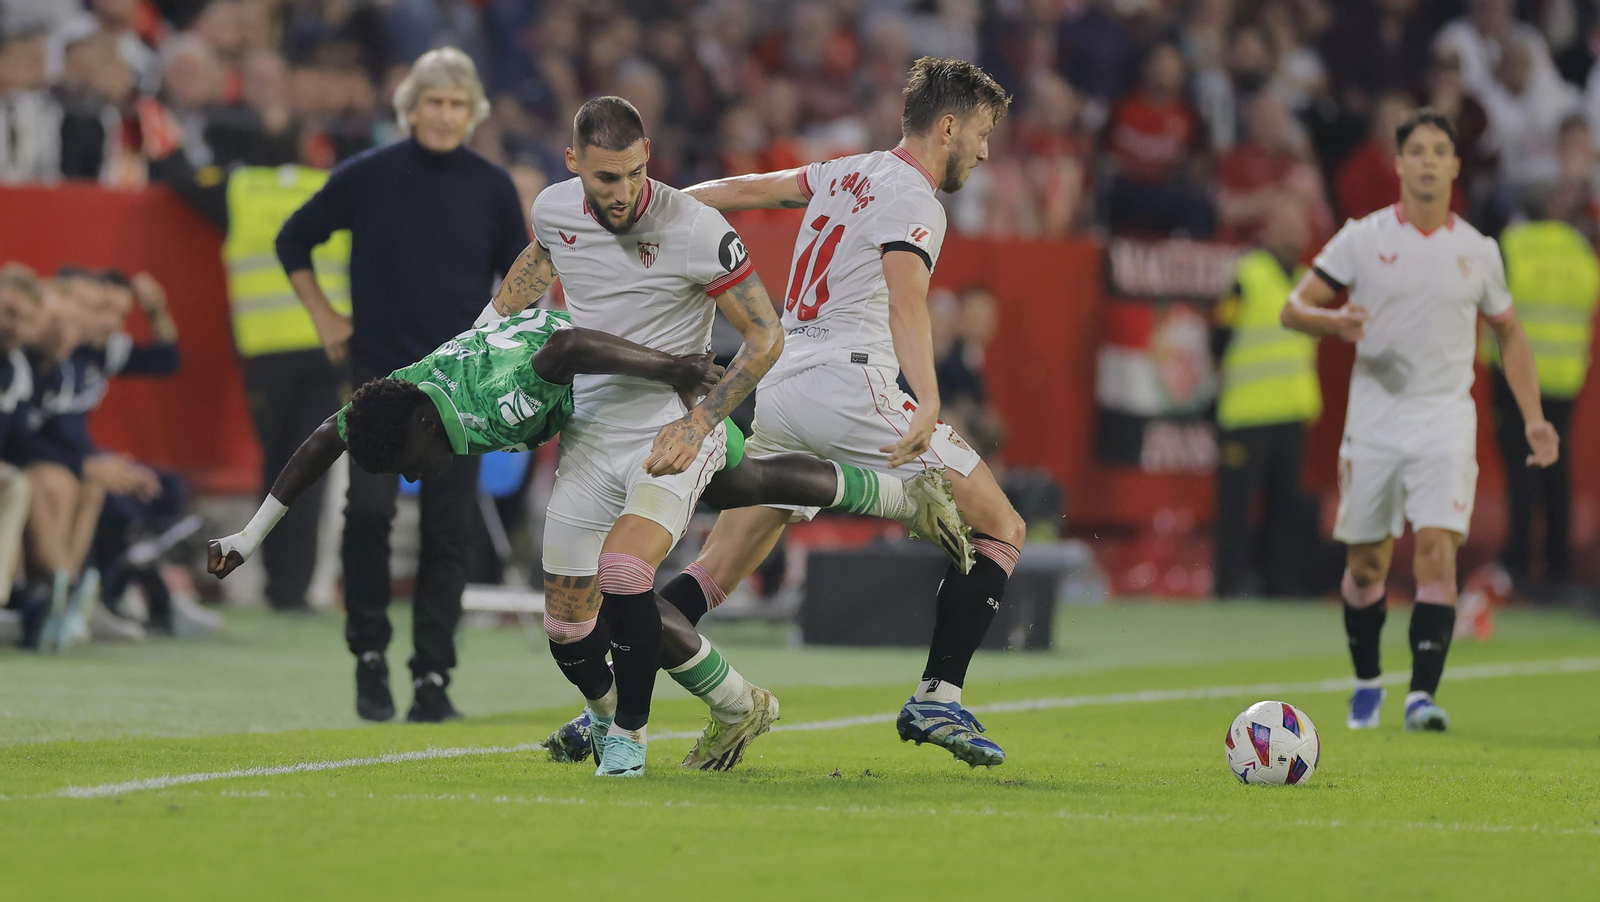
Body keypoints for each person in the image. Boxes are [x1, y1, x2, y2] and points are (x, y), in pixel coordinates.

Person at [206, 308, 971, 773]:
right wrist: (248, 532)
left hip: (628, 398)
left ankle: (708, 710)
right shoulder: (395, 399)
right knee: (706, 512)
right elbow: (319, 442)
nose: (414, 478)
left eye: (410, 465)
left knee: (622, 581)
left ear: (419, 427)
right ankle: (904, 499)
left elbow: (566, 346)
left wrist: (673, 369)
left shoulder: (486, 396)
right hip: (590, 422)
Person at [593, 57, 1026, 769]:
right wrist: (929, 399)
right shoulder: (918, 200)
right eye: (981, 133)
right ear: (947, 126)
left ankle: (611, 701)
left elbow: (740, 191)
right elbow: (905, 297)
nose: (984, 151)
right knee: (1001, 526)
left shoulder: (843, 171)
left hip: (782, 384)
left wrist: (655, 210)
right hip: (853, 385)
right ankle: (937, 697)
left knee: (714, 572)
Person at [486, 95, 788, 779]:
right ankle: (620, 715)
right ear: (573, 165)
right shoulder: (556, 210)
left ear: (647, 156)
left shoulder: (695, 227)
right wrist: (476, 342)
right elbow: (537, 266)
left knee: (625, 572)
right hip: (591, 429)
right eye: (605, 179)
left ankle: (628, 736)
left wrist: (702, 420)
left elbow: (766, 335)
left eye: (632, 174)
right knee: (567, 625)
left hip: (673, 425)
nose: (622, 194)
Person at [1281, 110, 1560, 734]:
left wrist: (1535, 418)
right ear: (1399, 164)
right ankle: (1367, 682)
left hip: (1445, 419)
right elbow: (1293, 309)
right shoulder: (1362, 237)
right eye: (1418, 151)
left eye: (1441, 150)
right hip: (1375, 420)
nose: (1430, 161)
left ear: (1456, 166)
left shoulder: (1478, 251)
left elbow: (1510, 335)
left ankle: (1421, 698)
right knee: (1368, 566)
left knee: (1438, 553)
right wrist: (1335, 324)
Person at [274, 48, 527, 723]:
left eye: (455, 104)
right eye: (432, 102)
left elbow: (525, 281)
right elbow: (292, 240)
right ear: (409, 108)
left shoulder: (494, 187)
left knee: (450, 535)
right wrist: (324, 315)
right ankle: (369, 659)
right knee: (368, 516)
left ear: (472, 113)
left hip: (462, 391)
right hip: (379, 387)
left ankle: (432, 679)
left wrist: (506, 361)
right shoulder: (366, 176)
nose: (443, 115)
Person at [148, 140, 351, 615]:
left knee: (277, 471)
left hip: (268, 352)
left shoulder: (240, 189)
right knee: (313, 472)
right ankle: (292, 592)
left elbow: (172, 171)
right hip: (329, 345)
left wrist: (173, 140)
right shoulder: (333, 186)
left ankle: (277, 586)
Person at [1483, 205, 1598, 597]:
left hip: (1517, 373)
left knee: (1521, 466)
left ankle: (1518, 563)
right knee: (1557, 469)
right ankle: (1557, 567)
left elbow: (1489, 299)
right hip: (1565, 373)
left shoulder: (1513, 244)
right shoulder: (1578, 248)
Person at [1212, 205, 1323, 598]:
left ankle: (1279, 587)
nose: (1293, 234)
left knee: (1284, 509)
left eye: (1299, 225)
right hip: (1247, 412)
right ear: (1268, 227)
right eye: (1285, 224)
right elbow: (1220, 332)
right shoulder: (1248, 275)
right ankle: (1229, 587)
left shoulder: (1309, 280)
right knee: (1236, 510)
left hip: (1291, 410)